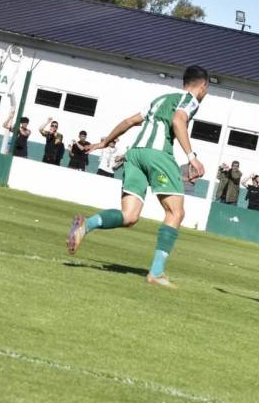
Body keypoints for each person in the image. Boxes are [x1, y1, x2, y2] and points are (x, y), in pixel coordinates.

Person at [66, 65, 210, 287]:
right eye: (206, 89)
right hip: (158, 155)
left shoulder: (160, 99)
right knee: (176, 212)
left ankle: (87, 224)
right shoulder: (191, 100)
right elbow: (178, 121)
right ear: (203, 86)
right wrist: (192, 157)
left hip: (134, 156)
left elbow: (129, 122)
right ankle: (156, 272)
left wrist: (104, 142)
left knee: (129, 216)